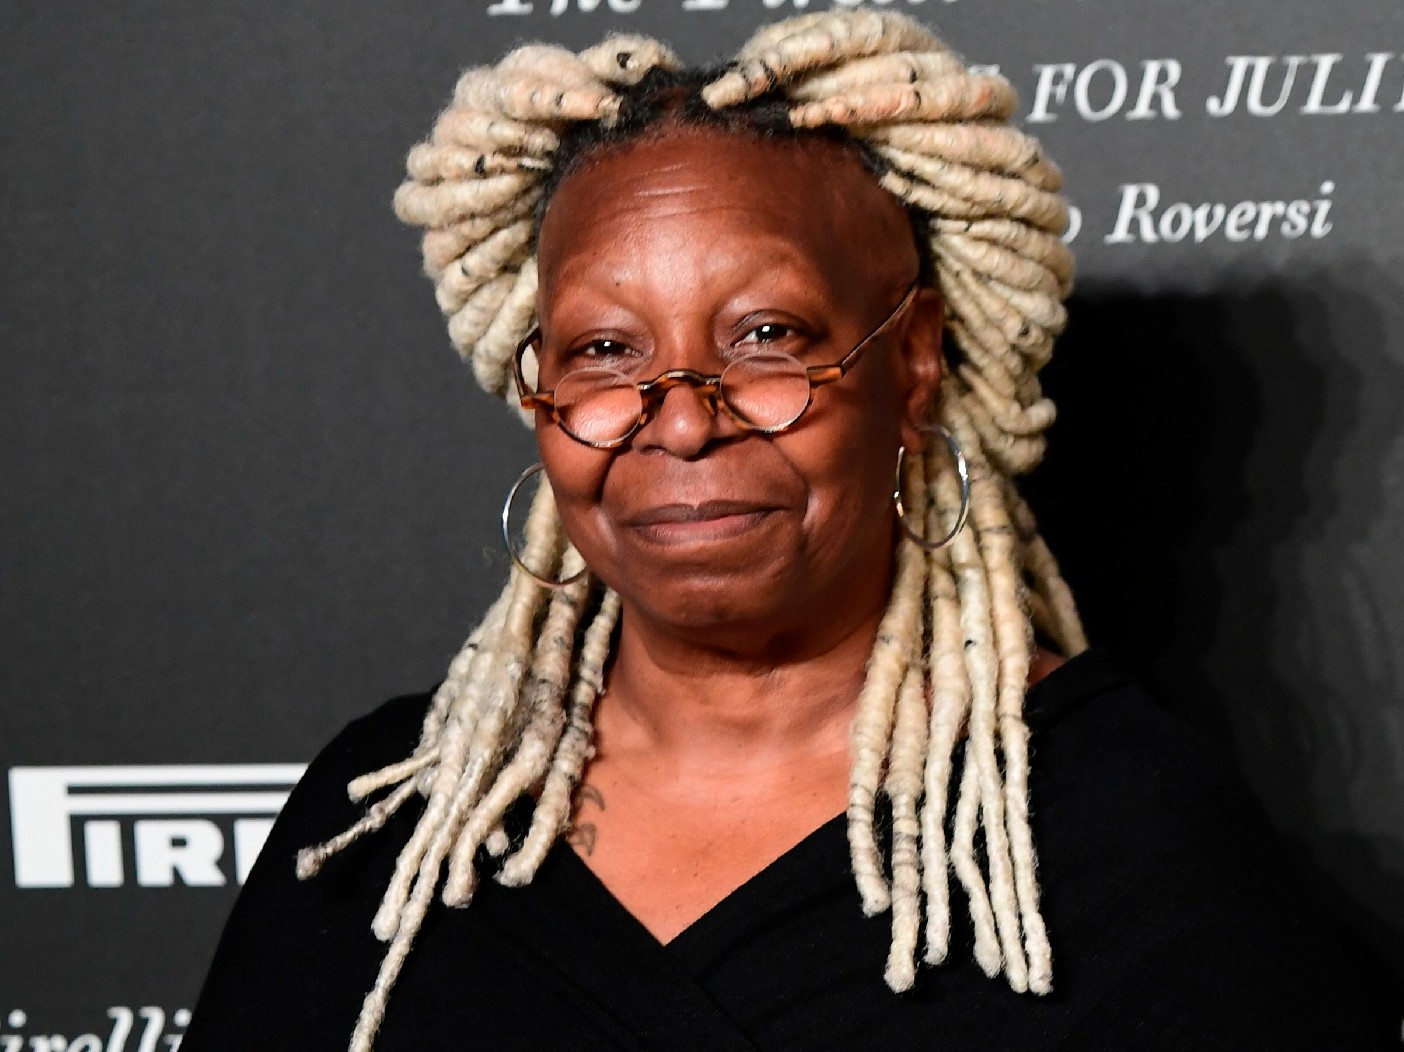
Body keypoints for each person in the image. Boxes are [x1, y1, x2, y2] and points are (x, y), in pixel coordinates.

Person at [183, 11, 1385, 1051]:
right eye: (606, 350)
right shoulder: (391, 810)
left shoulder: (1131, 845)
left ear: (912, 364)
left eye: (767, 336)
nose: (684, 422)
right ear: (537, 387)